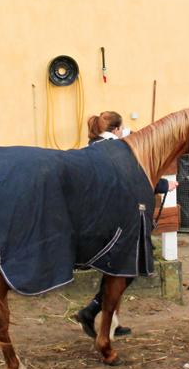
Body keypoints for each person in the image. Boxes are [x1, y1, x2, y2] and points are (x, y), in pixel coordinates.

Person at [75, 111, 177, 339]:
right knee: (127, 269)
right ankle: (91, 312)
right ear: (116, 130)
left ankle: (110, 321)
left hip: (101, 218)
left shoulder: (93, 147)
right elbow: (132, 178)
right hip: (115, 221)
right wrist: (163, 185)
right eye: (122, 129)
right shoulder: (115, 151)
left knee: (114, 274)